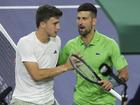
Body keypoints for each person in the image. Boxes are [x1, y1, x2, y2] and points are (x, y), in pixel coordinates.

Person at [58, 3, 128, 105]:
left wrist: (111, 83)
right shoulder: (71, 45)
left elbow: (124, 74)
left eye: (84, 19)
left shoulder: (110, 44)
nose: (80, 22)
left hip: (104, 102)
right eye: (78, 18)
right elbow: (57, 66)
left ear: (93, 21)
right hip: (80, 102)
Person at [10, 4, 72, 105]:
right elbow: (37, 75)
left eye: (58, 23)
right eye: (55, 23)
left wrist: (70, 62)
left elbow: (51, 66)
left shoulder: (57, 41)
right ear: (43, 24)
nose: (59, 27)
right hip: (25, 101)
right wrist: (65, 67)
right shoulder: (26, 42)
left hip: (48, 100)